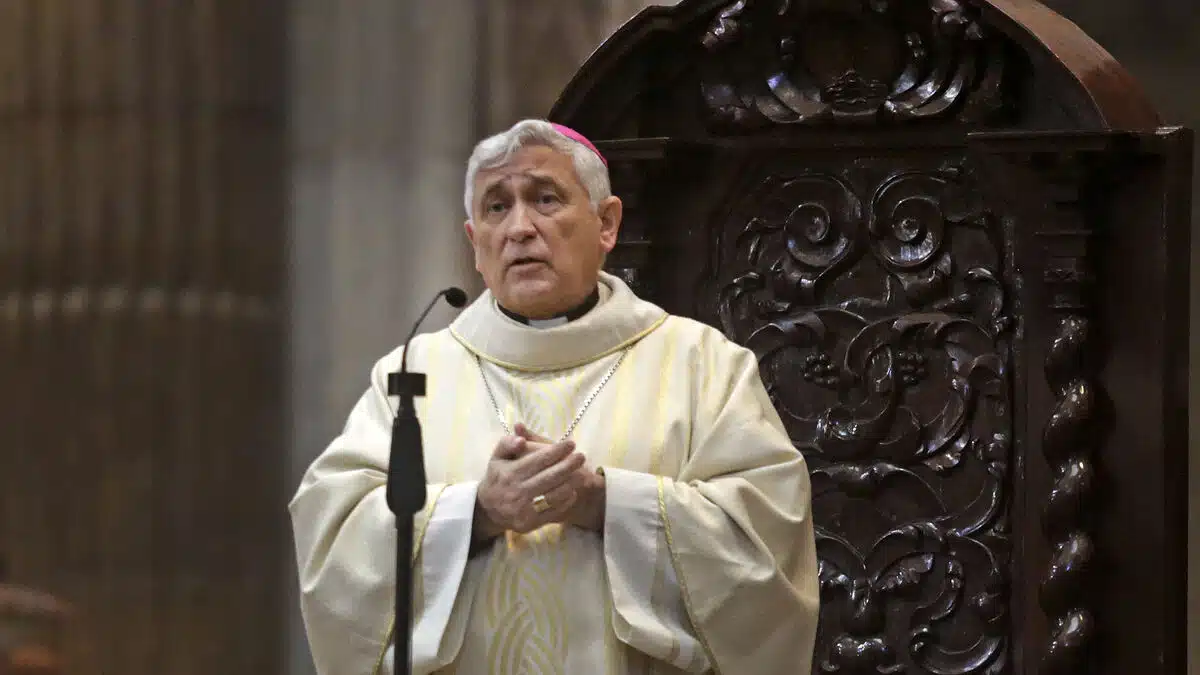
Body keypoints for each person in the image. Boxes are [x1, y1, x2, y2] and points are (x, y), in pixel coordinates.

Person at [289, 119, 819, 675]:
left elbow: (766, 542)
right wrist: (474, 513)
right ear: (474, 243)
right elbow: (337, 539)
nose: (520, 228)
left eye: (545, 199)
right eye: (496, 207)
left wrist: (606, 502)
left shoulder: (701, 364)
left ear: (606, 223)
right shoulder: (412, 374)